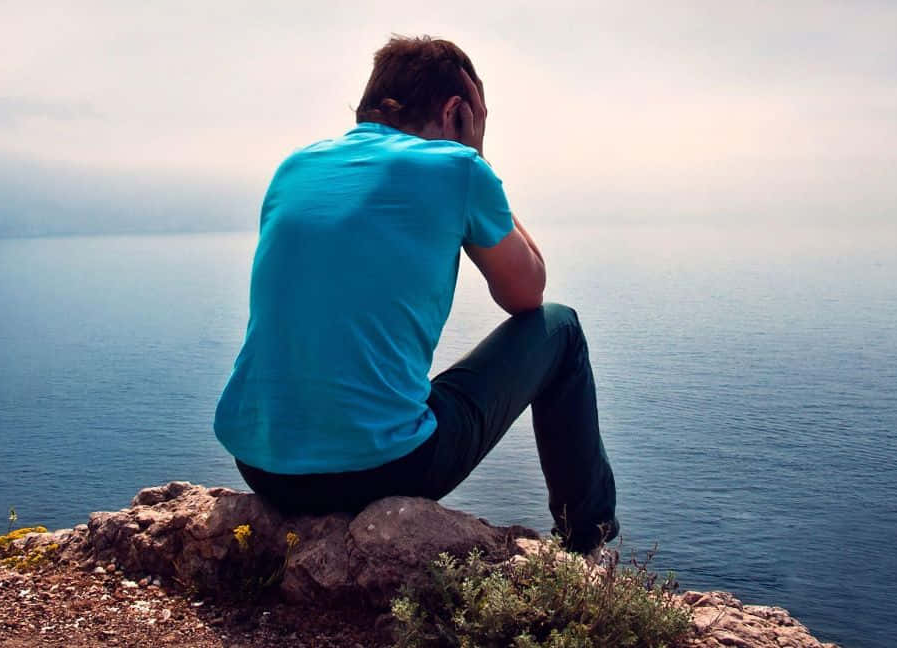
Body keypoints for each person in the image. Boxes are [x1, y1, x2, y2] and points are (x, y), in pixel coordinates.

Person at [213, 35, 619, 553]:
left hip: (261, 464)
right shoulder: (458, 168)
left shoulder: (294, 167)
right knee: (561, 328)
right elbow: (527, 294)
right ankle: (588, 540)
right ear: (457, 112)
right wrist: (478, 157)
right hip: (381, 469)